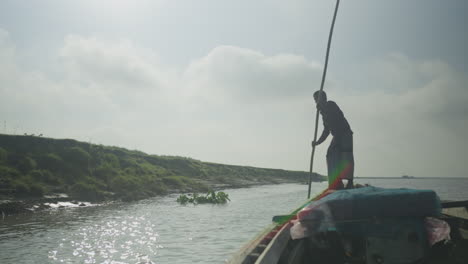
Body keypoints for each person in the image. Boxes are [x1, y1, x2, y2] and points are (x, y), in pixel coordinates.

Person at [312, 91, 354, 189]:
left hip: (345, 133)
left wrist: (323, 109)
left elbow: (336, 117)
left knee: (346, 155)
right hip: (337, 136)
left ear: (322, 98)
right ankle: (337, 182)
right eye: (314, 100)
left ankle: (350, 182)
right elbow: (326, 130)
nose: (315, 102)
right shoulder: (323, 113)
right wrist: (317, 142)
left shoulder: (331, 105)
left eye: (316, 99)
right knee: (331, 154)